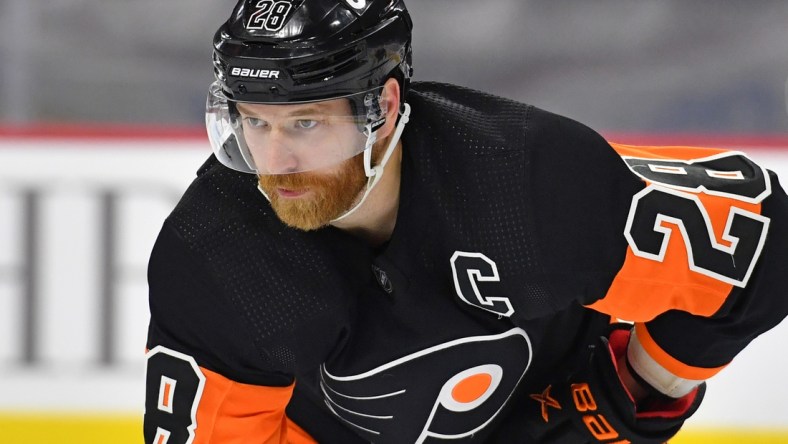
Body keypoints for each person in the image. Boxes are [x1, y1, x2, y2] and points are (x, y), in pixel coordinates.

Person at [143, 1, 788, 443]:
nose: (273, 162)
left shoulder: (526, 187)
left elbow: (763, 245)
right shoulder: (216, 255)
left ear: (384, 107)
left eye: (305, 122)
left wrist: (618, 397)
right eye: (255, 122)